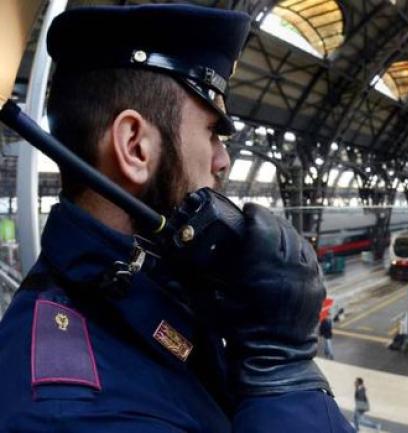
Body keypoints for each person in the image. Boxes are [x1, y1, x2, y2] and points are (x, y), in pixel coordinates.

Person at [0, 5, 354, 432]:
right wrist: (282, 371)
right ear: (135, 147)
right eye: (212, 132)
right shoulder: (72, 412)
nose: (223, 160)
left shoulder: (146, 295)